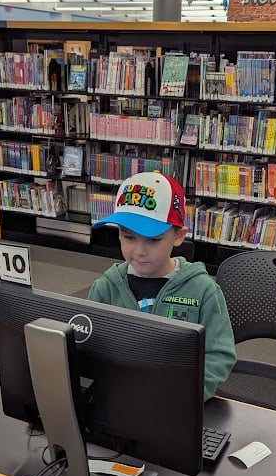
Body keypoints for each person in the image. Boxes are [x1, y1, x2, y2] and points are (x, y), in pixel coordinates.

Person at [88, 171, 236, 401]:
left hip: (178, 402)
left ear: (178, 236)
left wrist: (187, 395)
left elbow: (219, 355)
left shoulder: (203, 290)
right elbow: (90, 346)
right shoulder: (106, 288)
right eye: (129, 237)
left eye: (153, 240)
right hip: (121, 398)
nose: (139, 250)